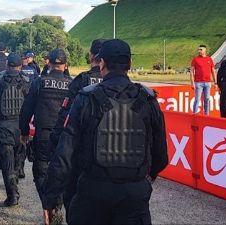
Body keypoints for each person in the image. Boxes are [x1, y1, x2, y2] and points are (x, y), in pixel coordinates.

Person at [42, 39, 168, 225]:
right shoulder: (148, 99)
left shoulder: (86, 97)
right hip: (134, 196)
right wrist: (144, 178)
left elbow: (65, 153)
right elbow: (161, 155)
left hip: (92, 193)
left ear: (102, 63)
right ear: (130, 64)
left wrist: (51, 198)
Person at [49, 39, 105, 217]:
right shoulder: (130, 89)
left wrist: (56, 143)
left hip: (83, 153)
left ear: (91, 56)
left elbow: (66, 117)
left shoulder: (82, 81)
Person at [19, 49, 72, 223]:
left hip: (44, 134)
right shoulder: (72, 84)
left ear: (49, 64)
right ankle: (57, 203)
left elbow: (26, 109)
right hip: (66, 136)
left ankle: (49, 204)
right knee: (65, 170)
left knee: (40, 171)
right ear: (65, 65)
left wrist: (24, 131)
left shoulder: (39, 82)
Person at [0, 53, 30, 206]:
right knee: (17, 160)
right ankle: (15, 183)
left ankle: (12, 195)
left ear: (7, 65)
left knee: (7, 163)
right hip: (21, 127)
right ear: (20, 66)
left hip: (3, 127)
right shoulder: (27, 81)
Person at [190, 44, 216, 115]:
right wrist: (192, 83)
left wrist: (215, 82)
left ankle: (206, 115)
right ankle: (194, 114)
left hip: (207, 83)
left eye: (201, 49)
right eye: (198, 50)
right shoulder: (195, 59)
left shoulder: (209, 59)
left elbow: (213, 71)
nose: (199, 51)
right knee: (197, 99)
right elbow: (191, 72)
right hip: (198, 83)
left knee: (207, 99)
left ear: (205, 50)